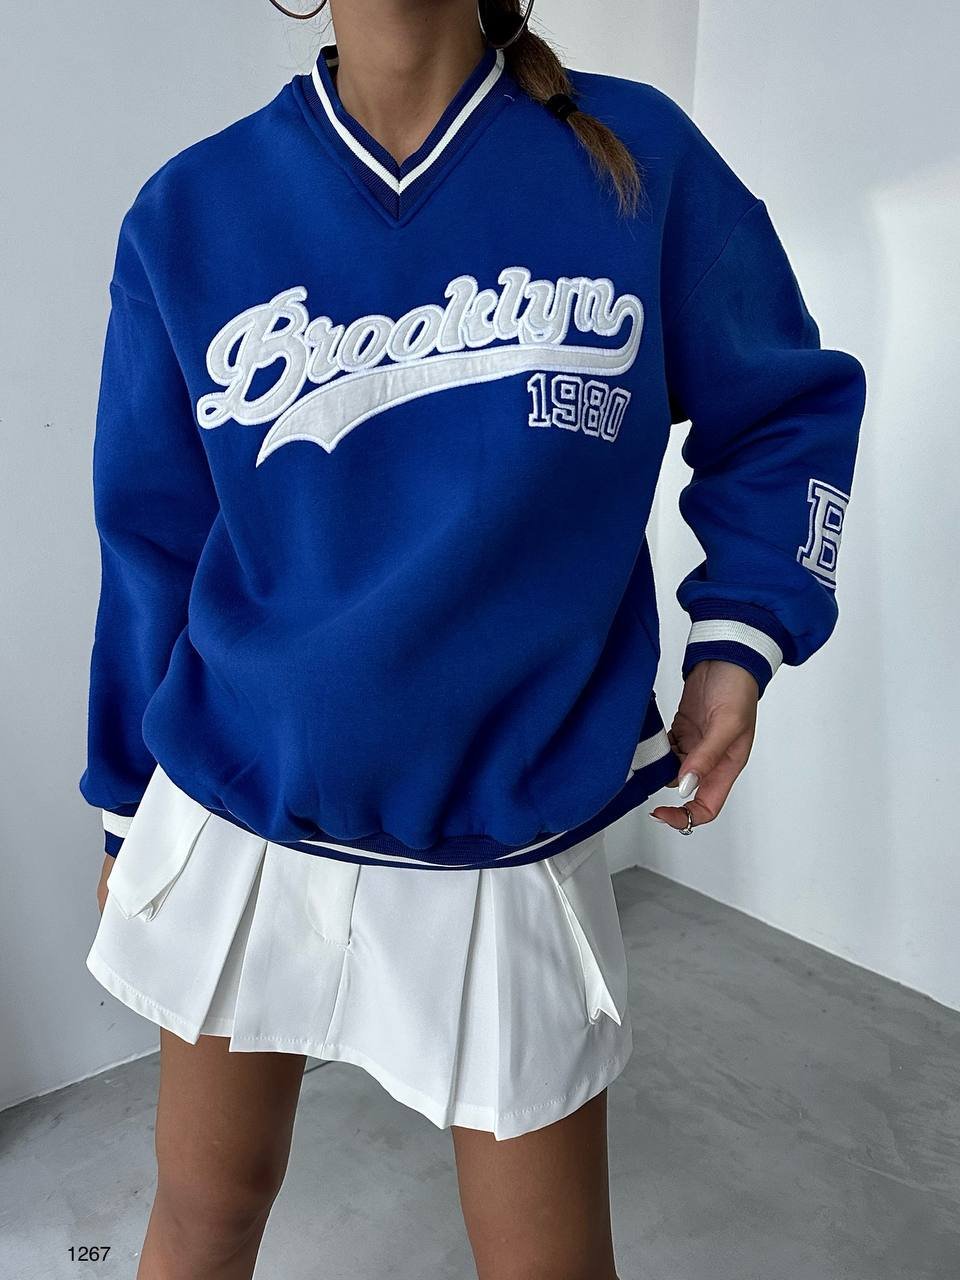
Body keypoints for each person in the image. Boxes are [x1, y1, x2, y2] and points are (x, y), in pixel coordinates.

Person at [78, 0, 867, 1275]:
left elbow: (786, 407)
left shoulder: (640, 161)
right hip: (242, 799)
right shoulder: (192, 210)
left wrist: (740, 634)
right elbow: (150, 538)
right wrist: (125, 804)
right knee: (207, 1210)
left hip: (507, 821)